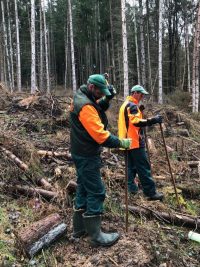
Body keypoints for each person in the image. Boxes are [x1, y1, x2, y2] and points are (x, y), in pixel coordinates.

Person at [70, 74, 131, 247]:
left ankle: (79, 229)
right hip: (87, 154)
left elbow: (96, 109)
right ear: (91, 88)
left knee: (83, 187)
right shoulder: (85, 106)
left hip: (80, 151)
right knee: (96, 191)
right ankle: (96, 237)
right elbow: (100, 136)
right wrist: (120, 142)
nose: (100, 95)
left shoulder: (82, 96)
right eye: (100, 92)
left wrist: (107, 98)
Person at [118, 85, 164, 201]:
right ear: (135, 93)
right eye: (141, 94)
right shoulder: (132, 106)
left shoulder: (125, 104)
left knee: (130, 168)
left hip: (125, 142)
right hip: (134, 142)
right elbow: (136, 122)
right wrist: (153, 120)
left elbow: (130, 121)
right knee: (143, 167)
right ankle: (151, 193)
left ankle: (132, 191)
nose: (142, 96)